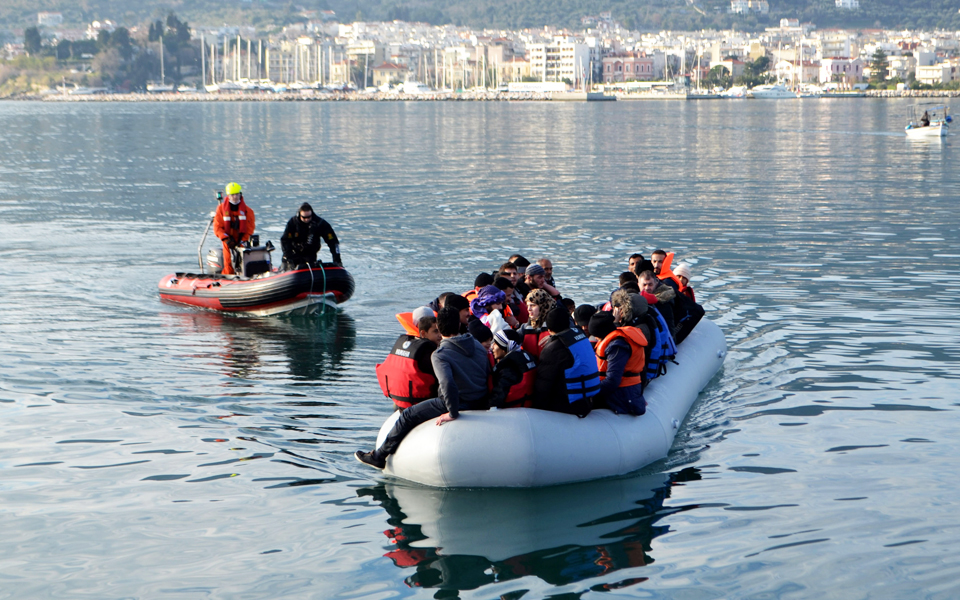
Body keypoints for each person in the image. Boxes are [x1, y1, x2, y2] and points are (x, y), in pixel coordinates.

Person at [356, 306, 491, 470]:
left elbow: (447, 383)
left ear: (439, 329)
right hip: (481, 400)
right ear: (459, 325)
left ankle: (378, 456)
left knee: (407, 415)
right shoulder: (476, 345)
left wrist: (452, 412)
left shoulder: (440, 354)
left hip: (459, 403)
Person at [533, 307, 599, 418]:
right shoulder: (580, 336)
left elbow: (543, 386)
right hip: (586, 400)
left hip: (568, 406)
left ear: (549, 329)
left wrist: (536, 411)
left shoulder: (553, 349)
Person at [376, 315, 441, 410]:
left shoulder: (403, 344)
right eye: (435, 331)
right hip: (419, 404)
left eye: (440, 331)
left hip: (399, 401)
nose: (440, 335)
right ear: (423, 333)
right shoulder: (429, 352)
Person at [589, 311, 647, 416]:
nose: (596, 339)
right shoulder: (616, 338)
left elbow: (613, 381)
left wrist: (589, 392)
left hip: (624, 393)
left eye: (595, 335)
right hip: (624, 389)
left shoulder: (617, 347)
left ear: (601, 333)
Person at [280, 202, 341, 269]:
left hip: (310, 255)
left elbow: (333, 241)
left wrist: (337, 260)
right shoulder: (293, 223)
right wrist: (288, 257)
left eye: (309, 217)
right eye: (304, 217)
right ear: (299, 215)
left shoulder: (319, 223)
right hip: (292, 254)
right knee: (287, 267)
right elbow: (285, 240)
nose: (306, 219)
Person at [213, 182, 256, 276]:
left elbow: (250, 228)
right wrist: (227, 240)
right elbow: (217, 227)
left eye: (237, 194)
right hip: (228, 242)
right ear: (228, 196)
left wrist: (243, 240)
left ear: (240, 195)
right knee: (229, 265)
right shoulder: (221, 209)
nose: (235, 197)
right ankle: (227, 279)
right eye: (232, 195)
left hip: (242, 242)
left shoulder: (248, 211)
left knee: (245, 264)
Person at [489, 329, 538, 409]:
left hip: (511, 413)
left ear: (505, 347)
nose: (492, 347)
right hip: (528, 409)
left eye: (496, 344)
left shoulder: (509, 368)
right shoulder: (525, 357)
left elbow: (497, 398)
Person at [518, 288, 554, 357]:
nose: (529, 309)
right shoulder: (525, 327)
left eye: (533, 305)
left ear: (543, 306)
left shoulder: (559, 322)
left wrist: (555, 338)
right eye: (528, 305)